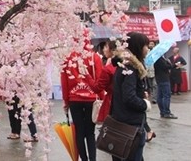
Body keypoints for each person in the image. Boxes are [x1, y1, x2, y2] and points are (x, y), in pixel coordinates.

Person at [111, 32, 152, 161]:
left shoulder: (124, 66)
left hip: (122, 122)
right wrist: (145, 104)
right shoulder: (130, 68)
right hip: (130, 126)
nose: (148, 49)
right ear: (138, 47)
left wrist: (141, 94)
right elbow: (129, 97)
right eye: (146, 45)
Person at [61, 39, 103, 161]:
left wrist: (66, 101)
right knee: (90, 132)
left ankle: (84, 159)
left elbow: (65, 82)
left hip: (74, 99)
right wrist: (101, 98)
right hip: (91, 99)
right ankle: (93, 159)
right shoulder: (95, 57)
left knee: (79, 132)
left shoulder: (68, 58)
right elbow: (99, 80)